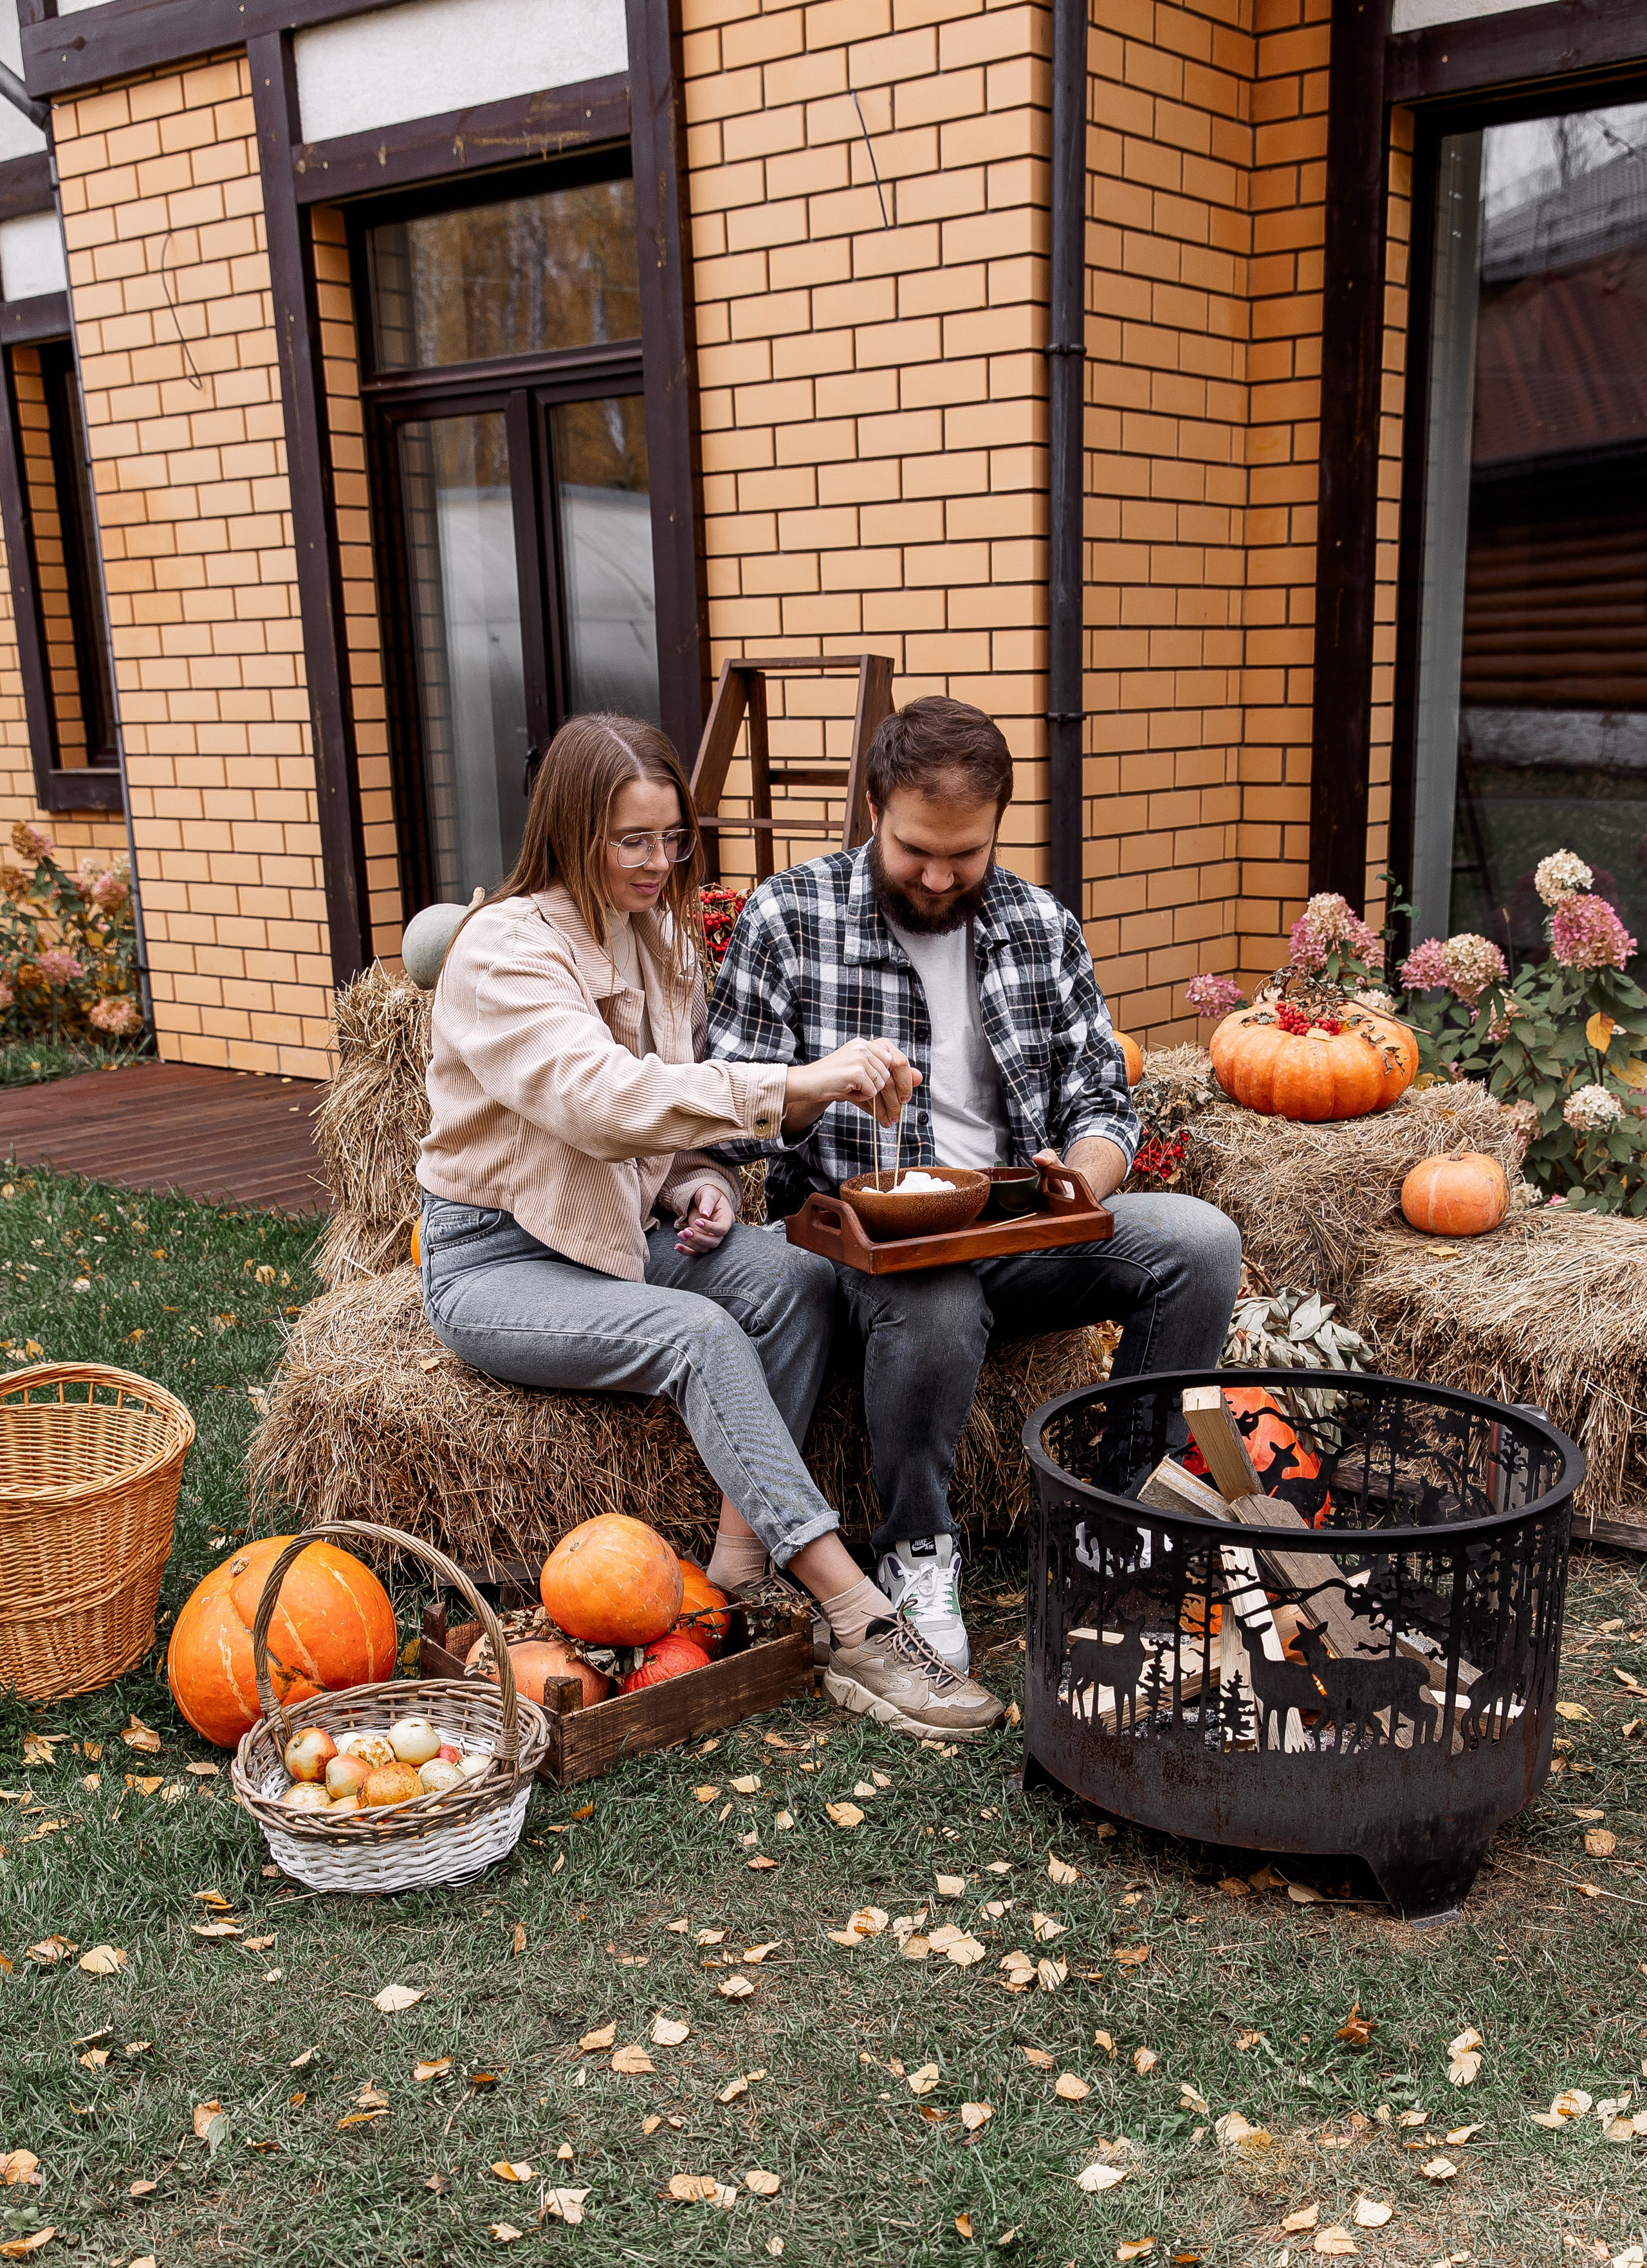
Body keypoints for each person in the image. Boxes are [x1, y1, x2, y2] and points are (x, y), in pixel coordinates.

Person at [414, 710, 1005, 1740]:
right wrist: (795, 1084)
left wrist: (697, 1183)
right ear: (569, 832)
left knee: (798, 1278)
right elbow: (601, 1101)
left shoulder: (660, 940)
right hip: (500, 1259)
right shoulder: (501, 953)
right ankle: (858, 1615)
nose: (658, 862)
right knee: (696, 1333)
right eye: (630, 841)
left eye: (671, 837)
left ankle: (734, 1571)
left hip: (621, 1237)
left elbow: (666, 1117)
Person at [706, 695, 1244, 1672]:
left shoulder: (1040, 924)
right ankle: (917, 1546)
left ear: (999, 824)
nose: (939, 876)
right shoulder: (789, 917)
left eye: (967, 854)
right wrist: (816, 1087)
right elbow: (725, 1116)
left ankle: (1123, 1514)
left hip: (1018, 1223)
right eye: (917, 850)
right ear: (874, 808)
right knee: (939, 1297)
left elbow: (1104, 1103)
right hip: (863, 1247)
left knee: (1202, 1242)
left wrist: (1080, 1178)